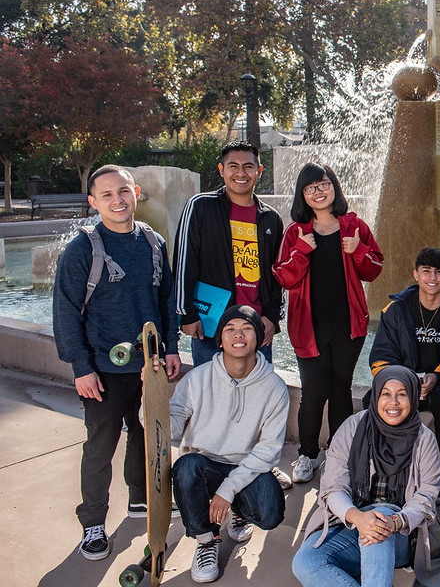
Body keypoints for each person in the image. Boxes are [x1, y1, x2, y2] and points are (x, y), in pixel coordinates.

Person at [53, 165, 180, 561]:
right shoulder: (82, 249)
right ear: (93, 202)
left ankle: (141, 499)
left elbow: (166, 303)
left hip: (149, 368)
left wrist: (171, 347)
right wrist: (80, 366)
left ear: (136, 192)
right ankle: (93, 522)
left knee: (145, 438)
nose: (117, 200)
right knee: (100, 447)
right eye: (106, 195)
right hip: (102, 372)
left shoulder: (154, 242)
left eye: (123, 191)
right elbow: (65, 311)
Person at [173, 140, 291, 488]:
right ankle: (204, 468)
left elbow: (276, 274)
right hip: (213, 324)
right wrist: (186, 312)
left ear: (259, 171)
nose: (242, 173)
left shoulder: (270, 217)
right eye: (234, 166)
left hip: (256, 328)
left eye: (249, 166)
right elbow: (184, 260)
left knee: (258, 399)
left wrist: (271, 317)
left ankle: (261, 464)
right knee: (211, 399)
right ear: (222, 170)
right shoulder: (202, 206)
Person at [292, 365, 440, 587]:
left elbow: (426, 497)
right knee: (305, 562)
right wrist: (358, 518)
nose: (393, 403)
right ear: (376, 395)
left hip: (400, 532)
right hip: (349, 523)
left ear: (413, 397)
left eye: (402, 394)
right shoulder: (352, 428)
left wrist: (393, 521)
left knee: (379, 517)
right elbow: (333, 488)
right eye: (386, 394)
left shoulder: (424, 439)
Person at [274, 162, 384, 484]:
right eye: (310, 188)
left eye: (323, 185)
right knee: (312, 392)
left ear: (333, 186)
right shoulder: (296, 232)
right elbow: (283, 277)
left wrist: (359, 249)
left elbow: (374, 269)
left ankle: (338, 454)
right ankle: (307, 455)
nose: (318, 192)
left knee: (340, 391)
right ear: (303, 195)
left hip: (348, 327)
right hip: (309, 327)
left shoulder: (355, 226)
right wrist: (302, 252)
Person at [169, 305, 289, 583]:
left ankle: (238, 510)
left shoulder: (274, 387)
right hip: (204, 465)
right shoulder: (197, 379)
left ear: (258, 338)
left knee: (270, 512)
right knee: (186, 468)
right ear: (220, 338)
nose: (239, 335)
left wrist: (228, 489)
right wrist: (147, 393)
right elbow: (169, 427)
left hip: (245, 467)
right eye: (230, 329)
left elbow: (268, 450)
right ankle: (205, 540)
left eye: (247, 329)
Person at [369, 247, 440, 505]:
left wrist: (435, 377)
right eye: (426, 271)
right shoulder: (396, 309)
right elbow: (381, 356)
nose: (432, 278)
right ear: (416, 274)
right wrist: (407, 380)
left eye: (439, 272)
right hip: (403, 381)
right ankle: (383, 466)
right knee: (372, 399)